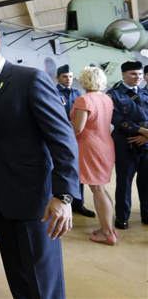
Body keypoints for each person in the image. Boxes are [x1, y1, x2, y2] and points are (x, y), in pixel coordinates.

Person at [0, 24, 79, 299]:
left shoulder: (29, 79)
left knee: (43, 284)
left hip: (35, 202)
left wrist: (63, 195)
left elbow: (63, 140)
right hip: (2, 203)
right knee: (18, 278)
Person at [70, 67, 116, 245]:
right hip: (105, 145)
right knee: (101, 188)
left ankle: (107, 233)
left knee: (97, 189)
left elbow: (78, 128)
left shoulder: (84, 99)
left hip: (90, 146)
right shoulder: (106, 98)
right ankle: (109, 228)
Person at [106, 61, 148, 230]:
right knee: (124, 183)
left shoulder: (146, 93)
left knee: (146, 182)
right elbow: (115, 118)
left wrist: (146, 137)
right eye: (133, 74)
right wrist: (142, 131)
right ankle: (122, 217)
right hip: (125, 144)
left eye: (139, 74)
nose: (137, 77)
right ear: (123, 75)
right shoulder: (114, 94)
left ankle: (146, 214)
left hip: (146, 145)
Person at [56, 64, 95, 218]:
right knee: (59, 170)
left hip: (77, 138)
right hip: (59, 137)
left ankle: (78, 203)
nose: (68, 80)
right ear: (58, 77)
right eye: (65, 77)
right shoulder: (52, 92)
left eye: (71, 77)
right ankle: (60, 201)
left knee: (77, 172)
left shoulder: (78, 94)